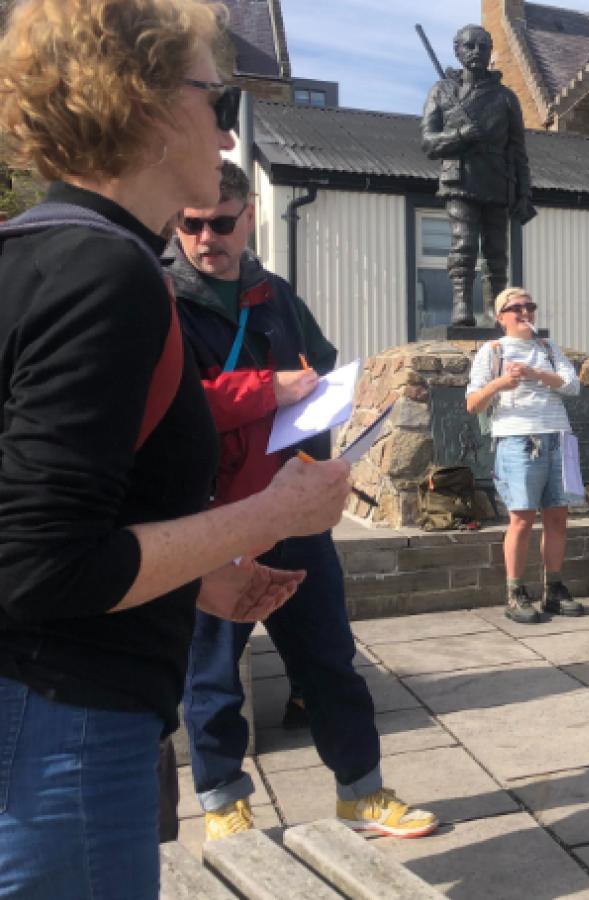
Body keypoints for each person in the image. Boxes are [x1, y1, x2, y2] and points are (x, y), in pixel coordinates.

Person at [0, 1, 351, 894]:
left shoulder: (34, 252)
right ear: (146, 106)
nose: (229, 135)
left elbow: (59, 514)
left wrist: (202, 576)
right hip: (64, 724)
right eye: (217, 100)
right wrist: (274, 513)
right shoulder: (107, 276)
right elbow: (39, 565)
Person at [171, 162, 437, 842]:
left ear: (248, 217)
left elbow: (316, 370)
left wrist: (320, 422)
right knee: (212, 674)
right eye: (191, 224)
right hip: (215, 520)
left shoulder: (276, 296)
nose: (205, 238)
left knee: (328, 658)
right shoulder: (159, 296)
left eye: (220, 223)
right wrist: (270, 390)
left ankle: (362, 793)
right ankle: (223, 805)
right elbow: (171, 407)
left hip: (293, 510)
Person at [467, 286, 585, 622]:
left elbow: (573, 385)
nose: (525, 312)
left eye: (529, 306)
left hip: (557, 435)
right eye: (516, 308)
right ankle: (515, 592)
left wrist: (536, 374)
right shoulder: (492, 351)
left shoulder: (548, 347)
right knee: (522, 518)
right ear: (500, 317)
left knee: (557, 516)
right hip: (518, 439)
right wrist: (500, 384)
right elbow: (473, 404)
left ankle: (554, 588)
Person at [419, 24, 534, 326]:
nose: (476, 52)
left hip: (497, 180)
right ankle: (461, 306)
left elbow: (518, 151)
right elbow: (428, 142)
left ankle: (498, 310)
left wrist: (524, 192)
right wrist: (460, 135)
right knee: (464, 243)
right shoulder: (441, 91)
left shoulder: (506, 98)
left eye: (483, 46)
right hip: (459, 179)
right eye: (469, 46)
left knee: (497, 253)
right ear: (457, 50)